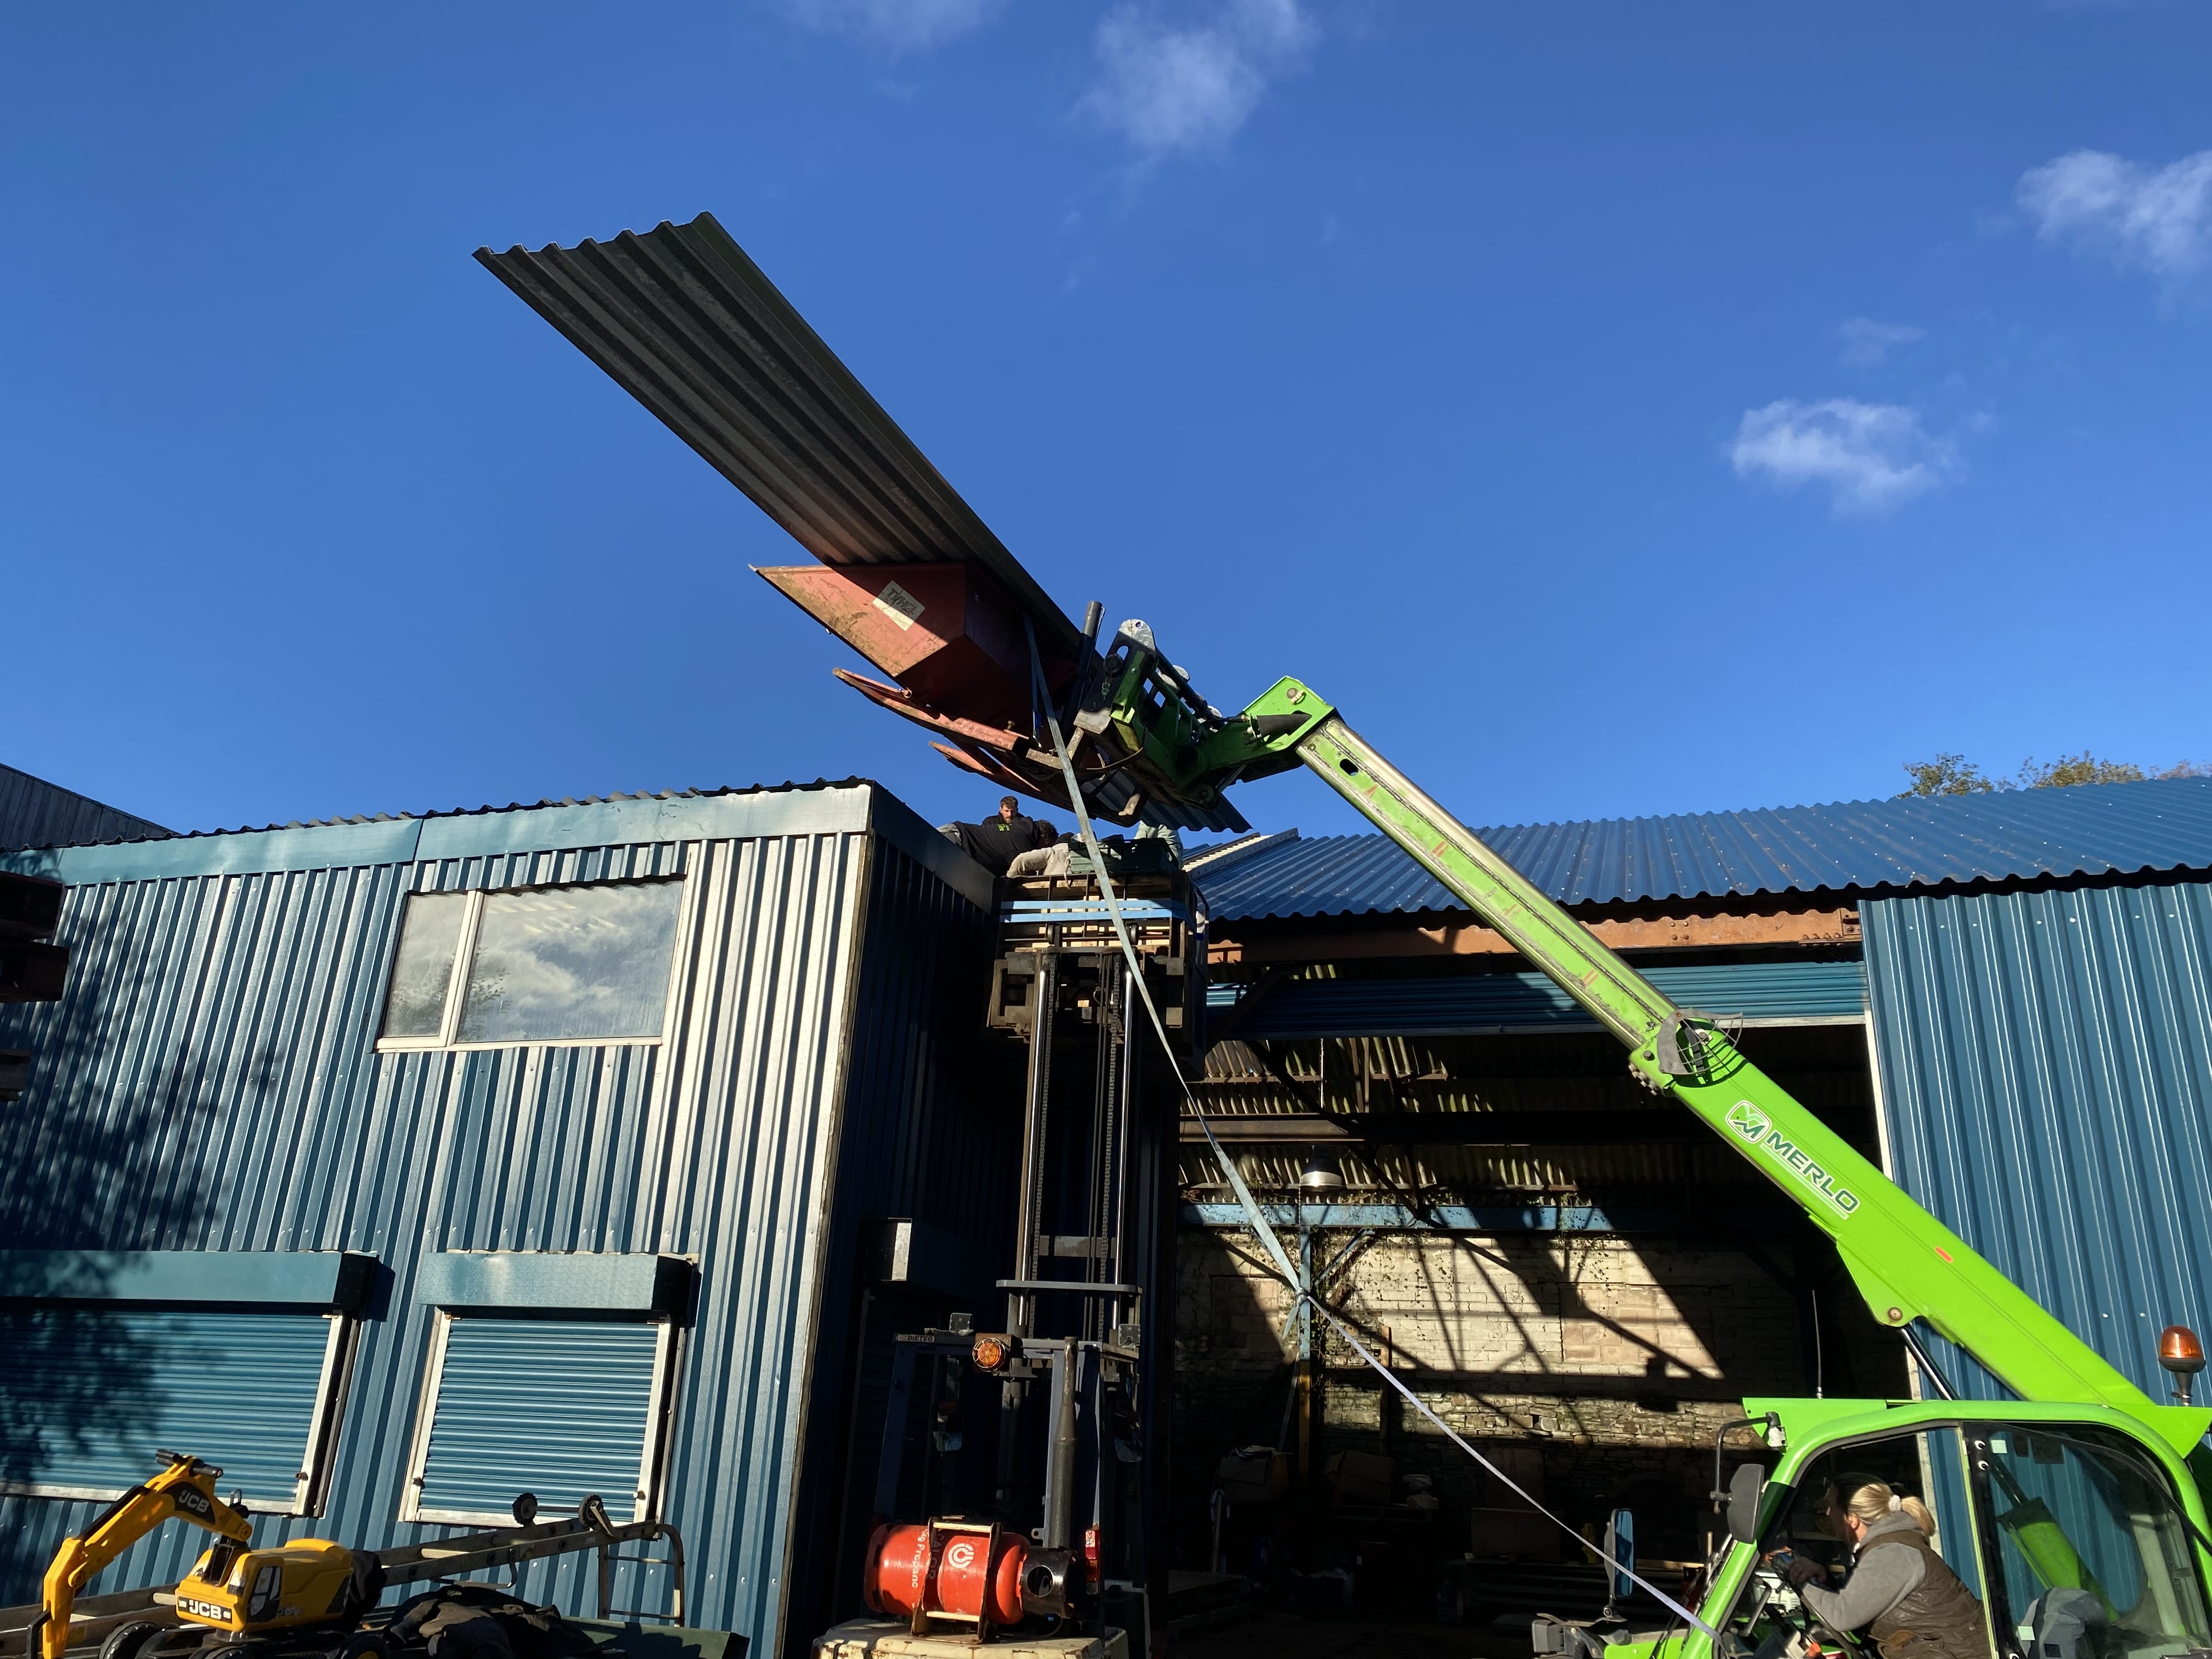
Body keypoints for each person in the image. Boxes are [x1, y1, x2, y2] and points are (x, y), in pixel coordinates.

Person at [1781, 1477, 1988, 1659]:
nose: (1827, 1513)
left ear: (1852, 1520)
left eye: (1831, 1507)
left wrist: (1799, 1578)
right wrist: (1825, 1578)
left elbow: (1840, 1617)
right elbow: (1866, 1599)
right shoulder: (1886, 1547)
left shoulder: (1893, 1554)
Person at [947, 796, 1059, 875]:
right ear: (1043, 838)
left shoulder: (1021, 825)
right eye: (1046, 847)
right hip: (957, 840)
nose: (1043, 851)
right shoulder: (1022, 840)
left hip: (963, 849)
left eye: (1013, 811)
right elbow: (1024, 868)